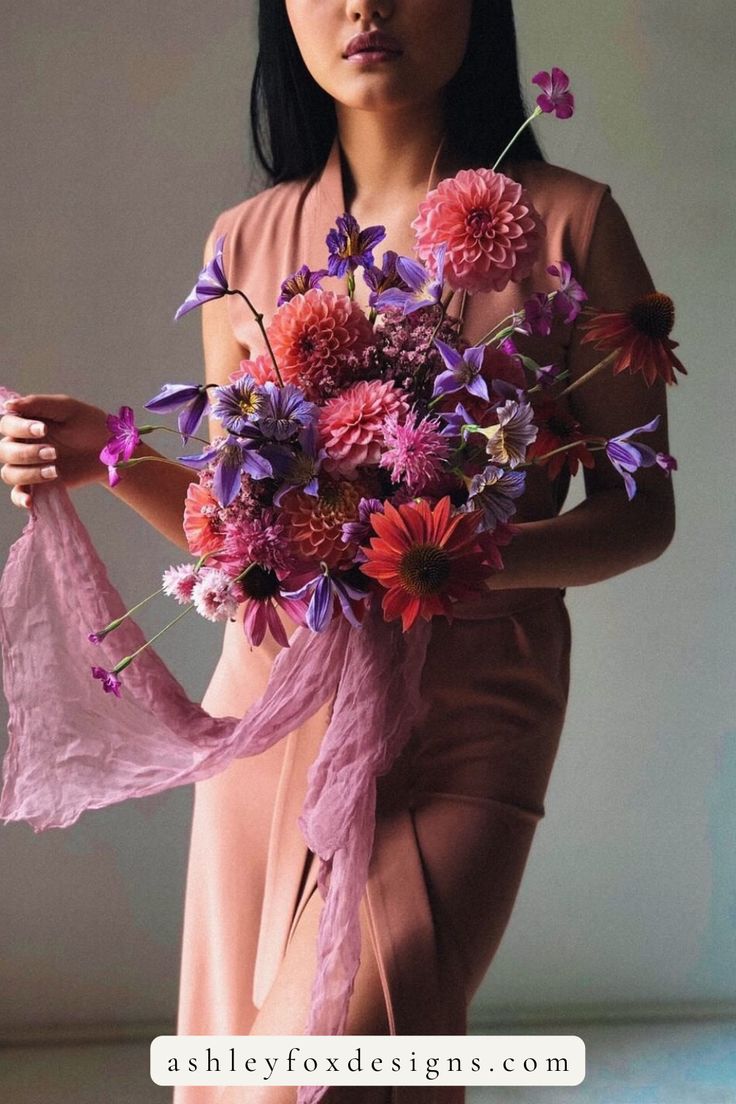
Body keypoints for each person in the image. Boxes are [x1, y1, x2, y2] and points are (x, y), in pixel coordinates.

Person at [0, 2, 676, 1101]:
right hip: (277, 724)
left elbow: (642, 513)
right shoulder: (243, 244)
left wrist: (439, 558)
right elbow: (242, 536)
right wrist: (107, 455)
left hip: (469, 728)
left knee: (306, 1078)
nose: (364, 5)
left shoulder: (568, 224)